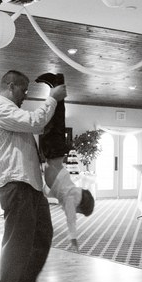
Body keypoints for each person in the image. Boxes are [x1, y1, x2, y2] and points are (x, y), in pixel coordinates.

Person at [0, 69, 67, 282]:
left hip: (30, 184)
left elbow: (36, 127)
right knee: (17, 243)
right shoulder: (0, 110)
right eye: (23, 90)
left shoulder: (11, 111)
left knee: (43, 235)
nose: (25, 95)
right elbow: (35, 122)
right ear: (10, 87)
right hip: (16, 184)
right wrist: (52, 98)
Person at [36, 72, 95, 251]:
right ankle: (57, 82)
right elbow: (71, 219)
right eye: (80, 212)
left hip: (54, 154)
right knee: (55, 120)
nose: (77, 213)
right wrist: (73, 239)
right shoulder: (72, 199)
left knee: (54, 120)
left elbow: (49, 193)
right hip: (53, 152)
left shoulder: (68, 195)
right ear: (80, 206)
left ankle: (53, 86)